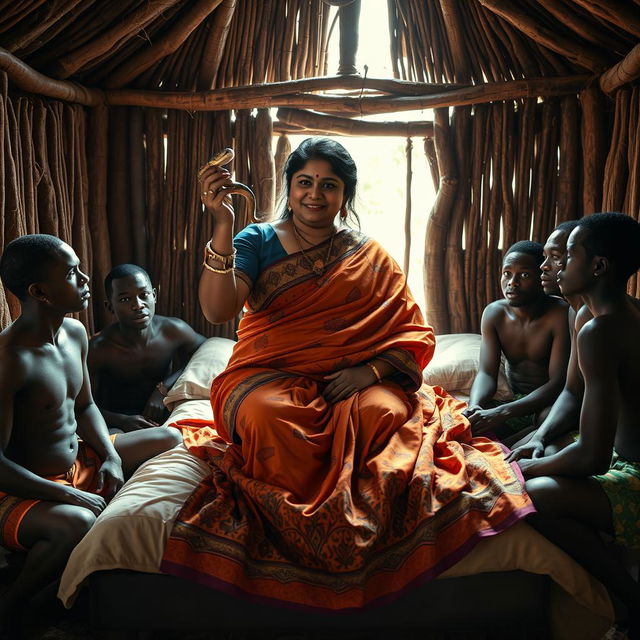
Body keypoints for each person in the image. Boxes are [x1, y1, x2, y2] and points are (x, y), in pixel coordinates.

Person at [160, 138, 533, 610]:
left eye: (329, 185)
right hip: (271, 375)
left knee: (385, 413)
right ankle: (297, 518)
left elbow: (411, 331)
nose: (314, 194)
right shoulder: (255, 241)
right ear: (289, 187)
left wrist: (371, 371)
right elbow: (217, 310)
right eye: (304, 183)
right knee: (268, 419)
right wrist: (222, 223)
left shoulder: (368, 255)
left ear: (345, 194)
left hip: (358, 377)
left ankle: (364, 509)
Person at [0, 235, 182, 635]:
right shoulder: (10, 359)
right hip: (22, 489)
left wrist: (112, 457)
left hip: (78, 460)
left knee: (170, 440)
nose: (85, 279)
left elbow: (85, 407)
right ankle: (14, 606)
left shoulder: (75, 333)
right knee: (78, 522)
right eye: (71, 273)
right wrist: (67, 494)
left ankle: (62, 568)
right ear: (39, 292)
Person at [509, 212, 640, 636]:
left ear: (598, 266)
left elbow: (593, 457)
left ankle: (631, 603)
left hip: (631, 469)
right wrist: (539, 439)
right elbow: (571, 392)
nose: (557, 266)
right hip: (620, 453)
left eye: (567, 255)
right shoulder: (591, 318)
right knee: (541, 450)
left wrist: (521, 472)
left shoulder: (604, 330)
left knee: (533, 494)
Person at [463, 241, 570, 441]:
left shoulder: (560, 314)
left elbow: (558, 383)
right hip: (513, 399)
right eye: (507, 273)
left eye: (524, 274)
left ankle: (516, 442)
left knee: (547, 417)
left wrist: (504, 412)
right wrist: (474, 406)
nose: (512, 282)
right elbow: (486, 373)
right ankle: (516, 439)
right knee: (458, 418)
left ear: (542, 277)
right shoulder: (494, 314)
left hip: (548, 401)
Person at [88, 264, 206, 433]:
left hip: (162, 419)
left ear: (154, 295)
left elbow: (206, 350)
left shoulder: (172, 330)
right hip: (116, 425)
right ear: (110, 307)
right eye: (125, 299)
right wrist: (122, 421)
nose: (138, 305)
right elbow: (82, 406)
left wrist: (163, 388)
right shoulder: (99, 348)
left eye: (144, 295)